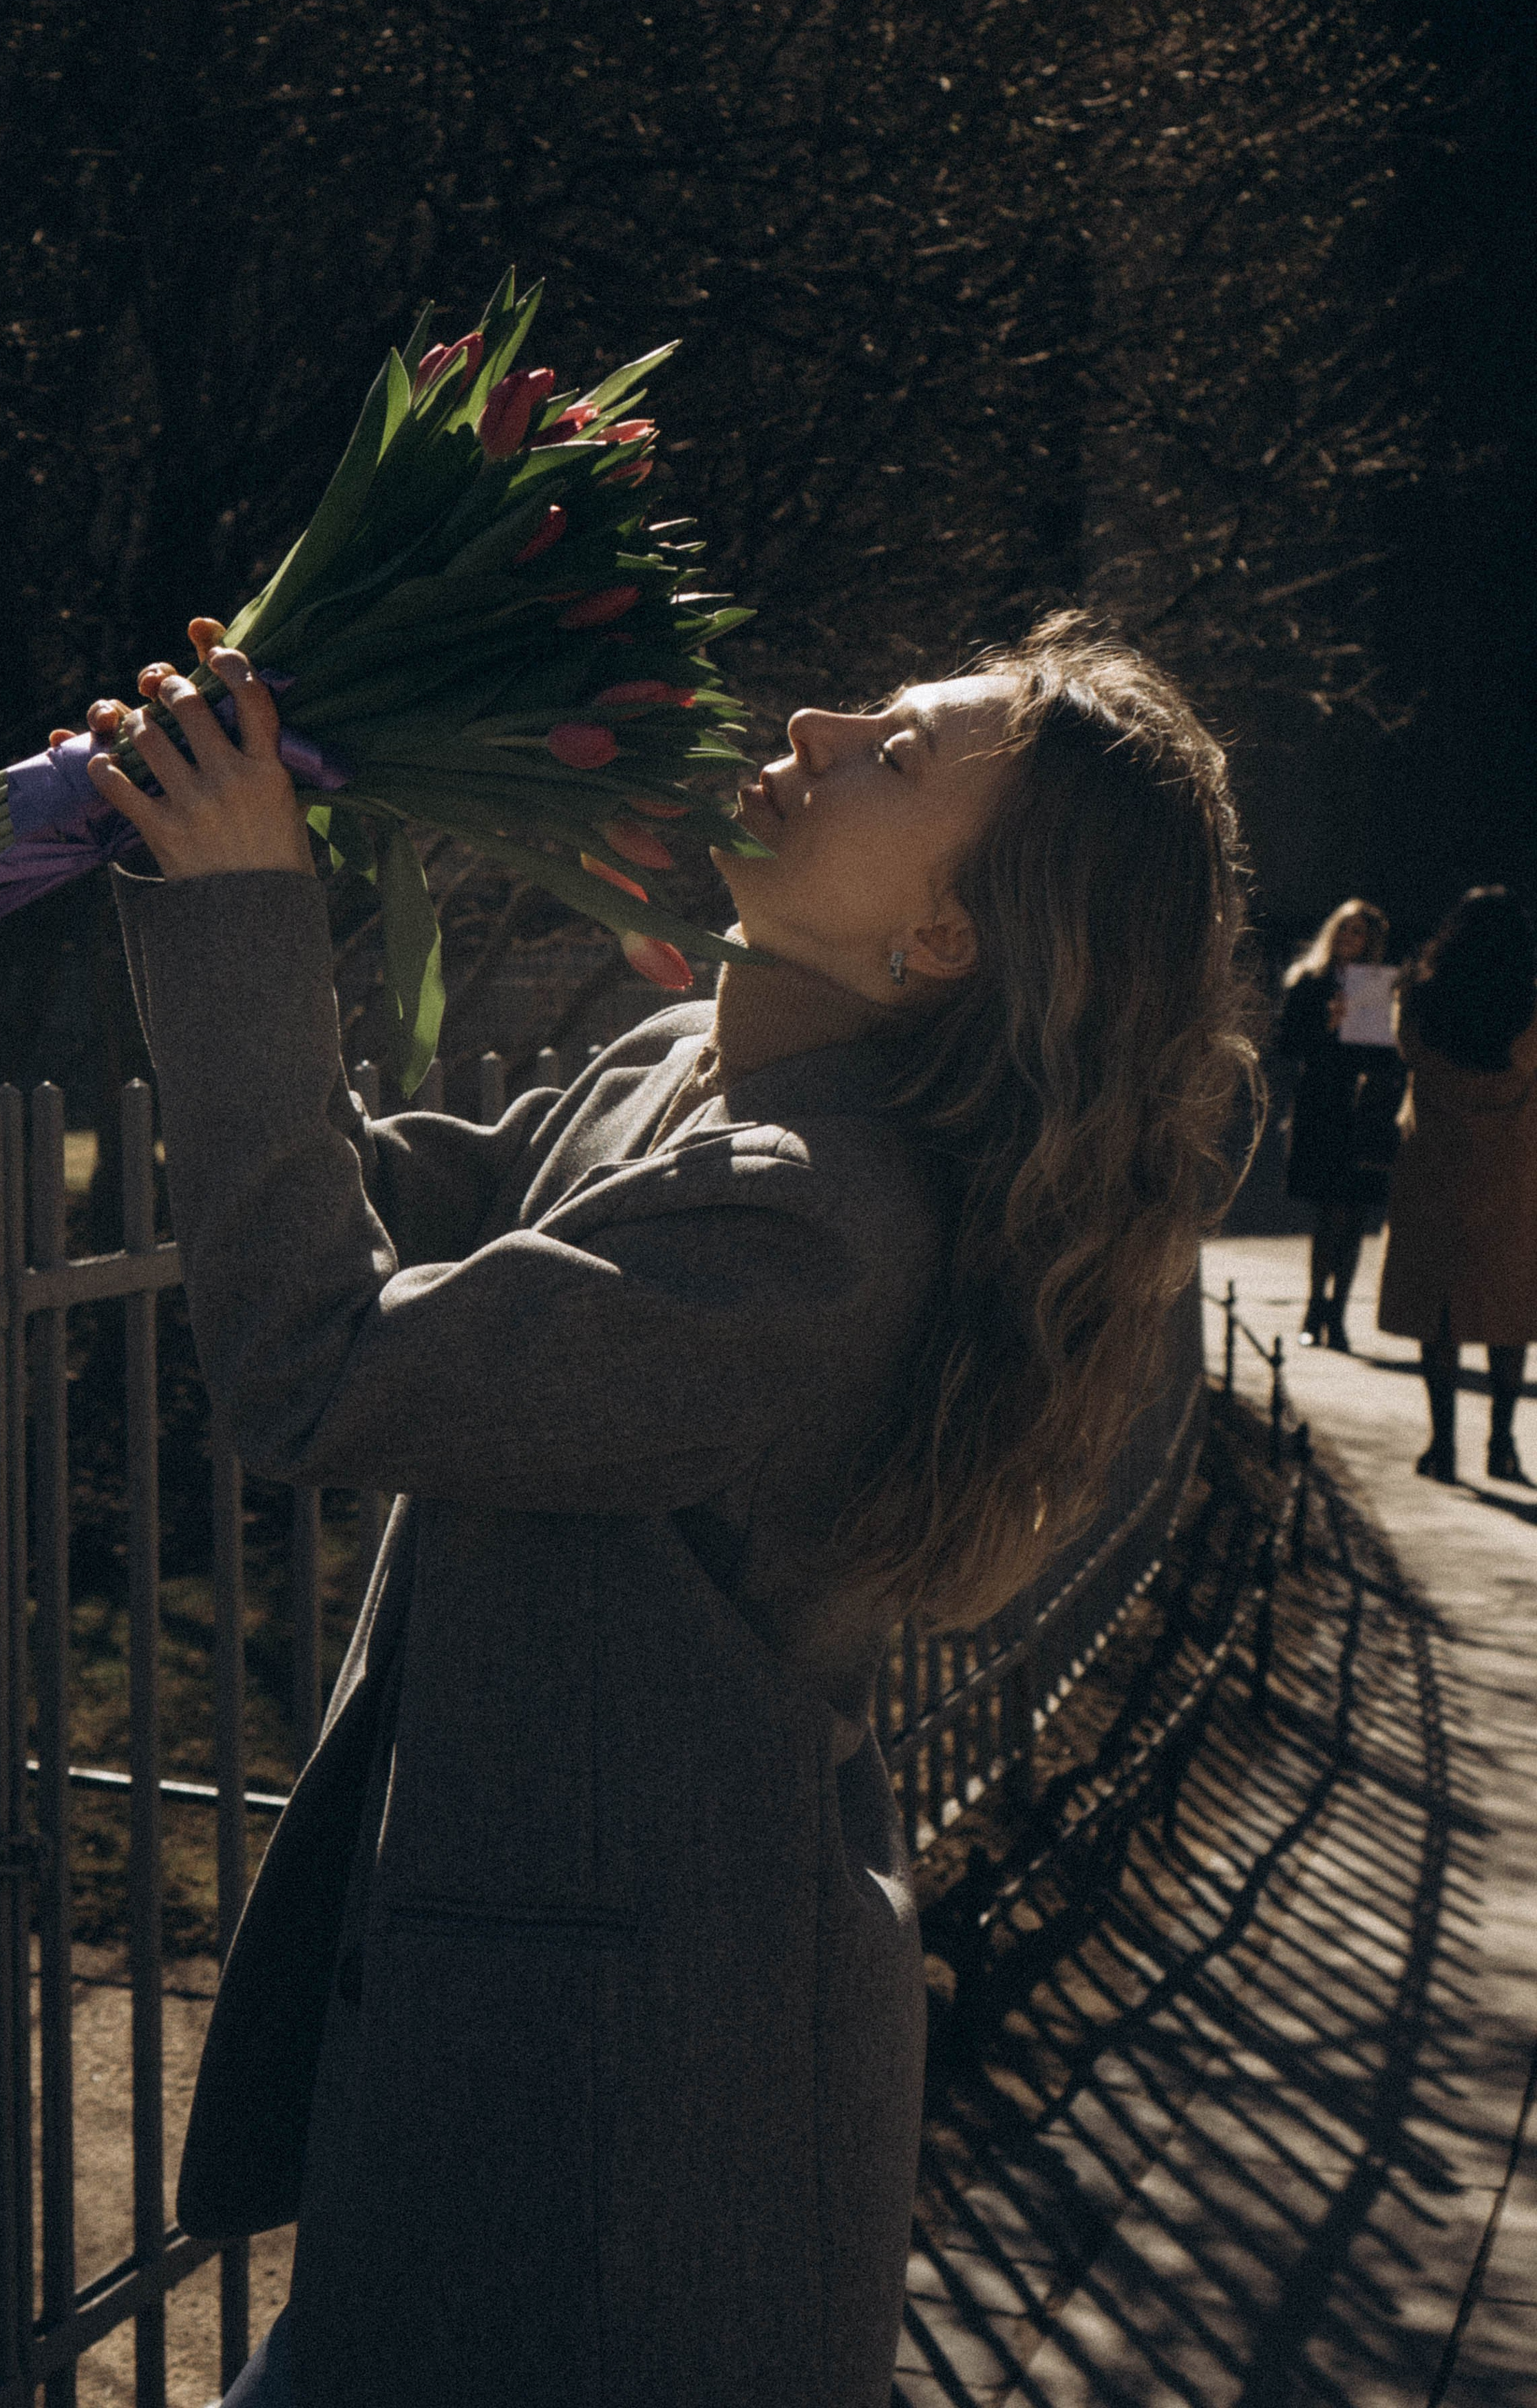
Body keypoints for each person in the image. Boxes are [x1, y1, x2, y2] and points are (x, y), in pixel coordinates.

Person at [78, 605, 1258, 2408]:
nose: (820, 716)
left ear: (942, 935)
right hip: (519, 2083)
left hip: (631, 2156)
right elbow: (354, 1201)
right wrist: (213, 847)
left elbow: (319, 1359)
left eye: (899, 753)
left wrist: (247, 918)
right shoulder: (684, 1073)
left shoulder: (816, 1228)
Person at [1378, 886, 1537, 1486]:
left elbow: (1406, 1051)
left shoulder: (1419, 1003)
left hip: (1436, 1174)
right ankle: (1502, 1443)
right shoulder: (1531, 1010)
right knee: (1509, 1312)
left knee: (1439, 1312)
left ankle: (1441, 1446)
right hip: (1514, 1176)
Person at [1278, 898, 1403, 1351]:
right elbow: (1288, 1045)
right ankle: (1315, 1307)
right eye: (1346, 930)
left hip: (1364, 1108)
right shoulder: (1309, 983)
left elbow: (1390, 1058)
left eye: (1361, 934)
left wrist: (1388, 1025)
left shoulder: (1376, 988)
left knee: (1354, 1217)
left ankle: (1339, 1313)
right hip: (1323, 1104)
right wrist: (1328, 1025)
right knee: (1330, 1211)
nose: (1351, 940)